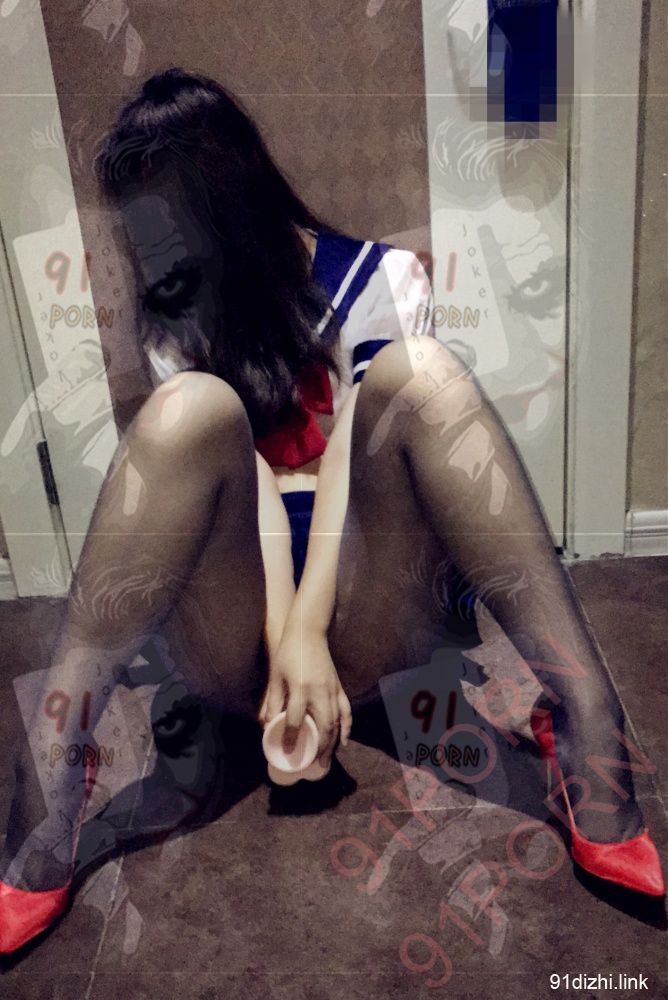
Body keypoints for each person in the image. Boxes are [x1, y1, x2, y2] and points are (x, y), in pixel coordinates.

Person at [0, 67, 662, 955]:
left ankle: (585, 717)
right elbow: (251, 480)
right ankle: (49, 771)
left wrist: (313, 632)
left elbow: (353, 444)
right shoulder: (175, 322)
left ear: (222, 204)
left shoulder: (382, 278)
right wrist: (284, 648)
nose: (145, 254)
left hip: (372, 604)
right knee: (188, 409)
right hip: (239, 622)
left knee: (420, 375)